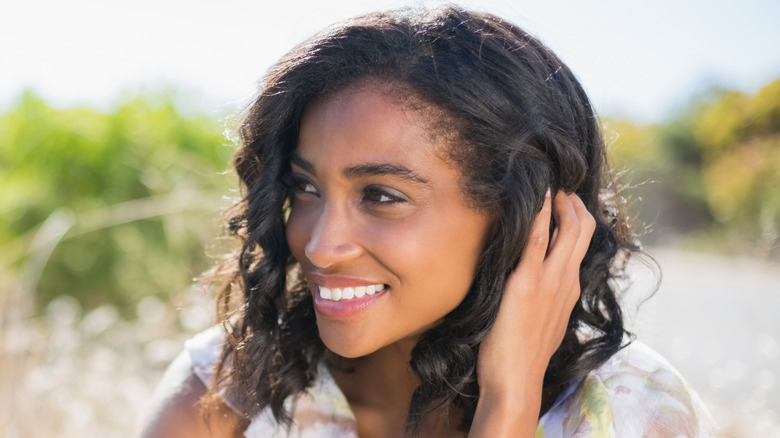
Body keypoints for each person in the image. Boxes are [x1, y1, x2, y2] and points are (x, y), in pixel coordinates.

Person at [139, 6, 715, 438]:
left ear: (525, 215)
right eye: (306, 187)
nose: (320, 246)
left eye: (382, 196)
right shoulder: (228, 389)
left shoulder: (627, 408)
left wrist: (509, 403)